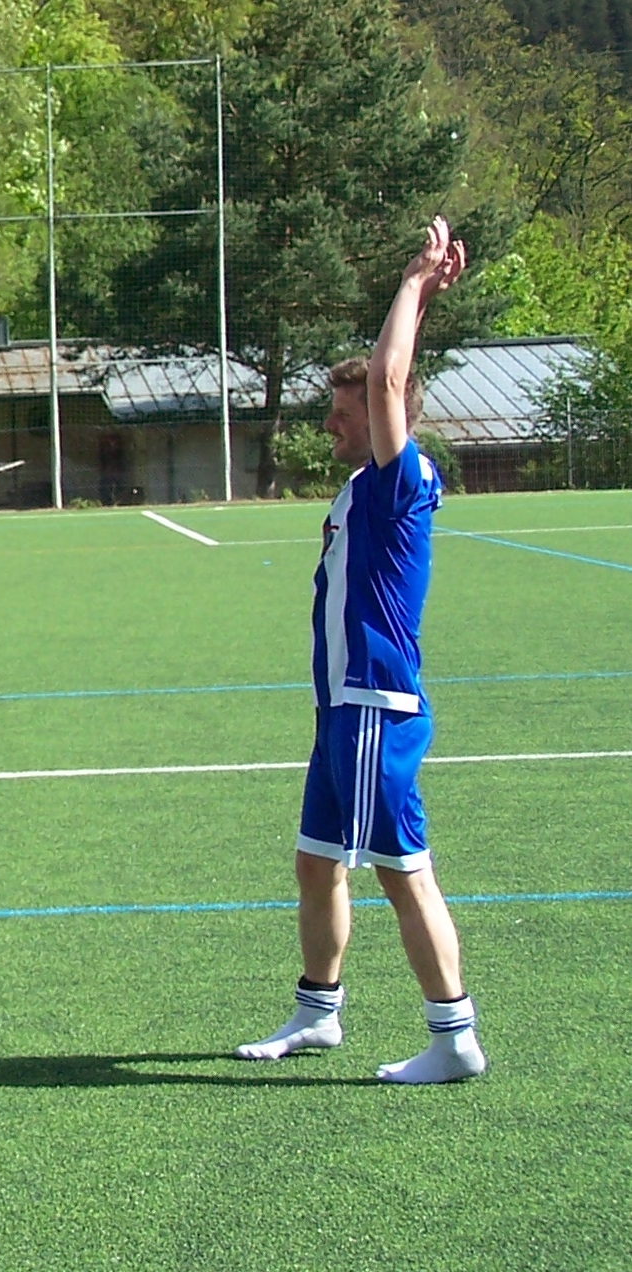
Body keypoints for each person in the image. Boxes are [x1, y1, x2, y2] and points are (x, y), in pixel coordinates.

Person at [234, 218, 486, 1085]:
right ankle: (317, 1014)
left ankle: (453, 1037)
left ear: (383, 417)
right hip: (341, 711)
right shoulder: (357, 489)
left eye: (343, 415)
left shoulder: (398, 479)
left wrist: (416, 283)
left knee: (400, 871)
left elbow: (387, 376)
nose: (332, 426)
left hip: (375, 705)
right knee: (316, 860)